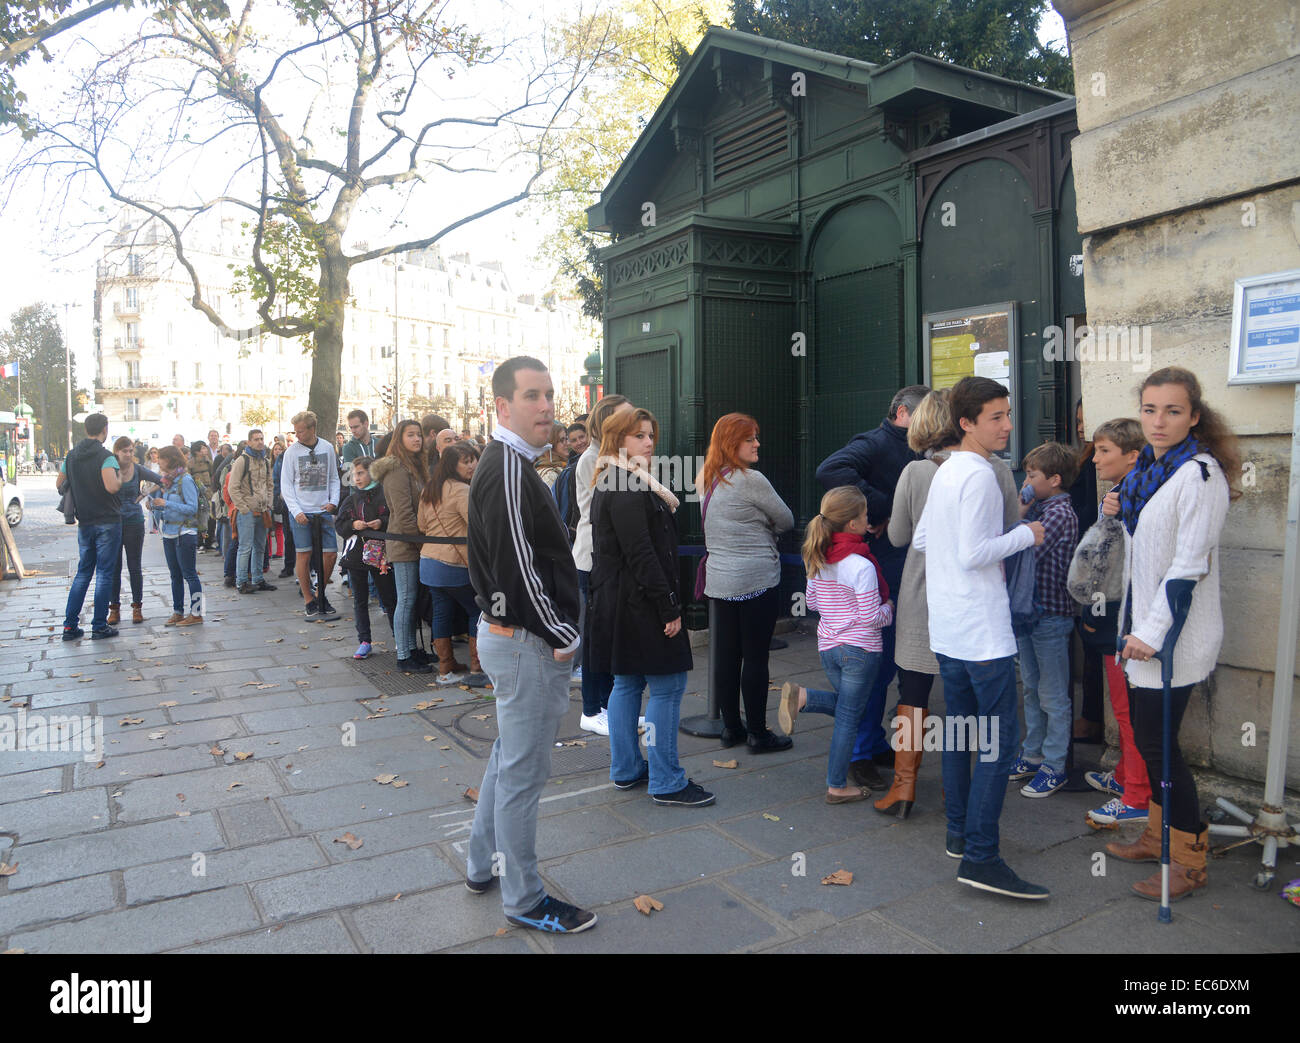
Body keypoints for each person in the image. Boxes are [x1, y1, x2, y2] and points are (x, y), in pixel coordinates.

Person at [465, 356, 595, 934]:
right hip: (525, 642)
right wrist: (563, 634)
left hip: (511, 639)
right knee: (522, 772)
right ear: (502, 406)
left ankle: (479, 862)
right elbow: (518, 569)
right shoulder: (511, 470)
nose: (546, 406)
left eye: (549, 394)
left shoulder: (508, 464)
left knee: (506, 757)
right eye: (532, 396)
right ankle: (524, 898)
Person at [912, 375, 1048, 899]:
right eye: (996, 416)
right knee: (997, 742)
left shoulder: (944, 470)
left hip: (948, 628)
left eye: (1007, 413)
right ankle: (982, 857)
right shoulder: (982, 475)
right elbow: (974, 552)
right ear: (966, 422)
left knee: (962, 734)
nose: (1008, 424)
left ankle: (958, 834)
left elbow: (923, 538)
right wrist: (1025, 534)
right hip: (983, 633)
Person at [1102, 367, 1235, 901]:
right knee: (1151, 742)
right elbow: (1143, 554)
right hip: (1140, 634)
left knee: (1161, 749)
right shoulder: (1147, 473)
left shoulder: (1200, 477)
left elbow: (1187, 566)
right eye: (1151, 410)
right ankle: (1158, 836)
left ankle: (1188, 860)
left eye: (1173, 411)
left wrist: (1152, 633)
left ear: (1194, 417)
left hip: (1173, 640)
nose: (1159, 421)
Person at [872, 389, 1020, 818]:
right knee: (971, 705)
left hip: (923, 593)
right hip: (975, 602)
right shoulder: (996, 470)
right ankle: (962, 794)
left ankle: (904, 786)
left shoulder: (917, 471)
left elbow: (899, 536)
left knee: (913, 693)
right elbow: (1007, 528)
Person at [591, 406, 712, 807]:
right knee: (667, 686)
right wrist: (669, 606)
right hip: (639, 603)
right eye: (639, 435)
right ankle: (666, 781)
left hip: (621, 601)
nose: (648, 442)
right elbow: (641, 553)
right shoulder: (625, 484)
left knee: (627, 682)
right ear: (617, 440)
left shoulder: (618, 479)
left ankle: (627, 770)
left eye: (650, 436)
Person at [815, 385, 928, 787]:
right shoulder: (876, 442)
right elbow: (829, 469)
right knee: (874, 670)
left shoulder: (919, 448)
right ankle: (861, 752)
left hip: (903, 570)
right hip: (884, 575)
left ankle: (873, 742)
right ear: (901, 413)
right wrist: (882, 507)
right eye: (924, 414)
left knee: (896, 669)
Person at [780, 485, 893, 803]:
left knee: (848, 708)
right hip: (860, 650)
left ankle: (804, 697)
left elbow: (813, 602)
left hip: (828, 647)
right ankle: (836, 785)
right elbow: (872, 617)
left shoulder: (816, 556)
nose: (868, 519)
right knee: (849, 716)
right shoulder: (862, 566)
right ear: (855, 524)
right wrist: (890, 609)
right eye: (866, 515)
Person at [698, 412, 795, 752]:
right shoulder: (751, 480)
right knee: (755, 657)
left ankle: (731, 729)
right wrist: (764, 526)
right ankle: (758, 733)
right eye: (750, 438)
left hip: (721, 582)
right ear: (731, 443)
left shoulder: (707, 478)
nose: (757, 444)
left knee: (726, 657)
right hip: (756, 580)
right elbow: (786, 519)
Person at [1081, 417, 1151, 827]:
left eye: (1104, 451)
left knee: (1128, 712)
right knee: (1124, 707)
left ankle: (1137, 796)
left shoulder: (1132, 496)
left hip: (1127, 619)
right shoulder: (1122, 492)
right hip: (1119, 616)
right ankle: (1126, 776)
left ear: (1132, 456)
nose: (1095, 459)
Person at [1007, 441, 1080, 798]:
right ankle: (1033, 752)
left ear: (1054, 479)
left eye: (1032, 474)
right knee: (1033, 689)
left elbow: (1024, 550)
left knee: (1052, 694)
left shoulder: (1057, 514)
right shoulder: (1043, 508)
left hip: (1050, 616)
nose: (1026, 479)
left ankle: (1055, 764)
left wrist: (1019, 513)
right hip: (1031, 615)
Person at [571, 395, 631, 735]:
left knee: (609, 638)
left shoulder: (616, 457)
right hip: (594, 559)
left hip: (609, 558)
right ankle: (592, 710)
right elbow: (601, 512)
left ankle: (609, 706)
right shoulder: (591, 459)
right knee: (596, 638)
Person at [418, 441, 486, 684]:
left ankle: (445, 669)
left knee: (441, 613)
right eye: (466, 461)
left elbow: (422, 526)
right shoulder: (462, 490)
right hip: (454, 564)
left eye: (473, 459)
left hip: (428, 563)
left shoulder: (430, 488)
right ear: (451, 465)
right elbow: (478, 526)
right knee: (476, 611)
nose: (472, 465)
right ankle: (478, 668)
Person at [58, 414, 124, 640]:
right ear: (104, 430)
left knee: (83, 572)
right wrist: (121, 478)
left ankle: (69, 626)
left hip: (85, 521)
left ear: (86, 429)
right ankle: (99, 625)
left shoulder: (72, 455)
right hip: (107, 520)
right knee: (104, 573)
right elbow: (112, 486)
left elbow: (59, 483)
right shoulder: (106, 457)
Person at [370, 419, 429, 672]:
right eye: (411, 435)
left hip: (415, 542)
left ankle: (413, 649)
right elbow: (403, 514)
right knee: (405, 599)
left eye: (419, 435)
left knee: (412, 600)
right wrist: (420, 543)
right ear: (399, 439)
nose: (417, 439)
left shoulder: (414, 466)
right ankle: (404, 656)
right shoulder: (396, 469)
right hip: (405, 543)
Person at [281, 411, 342, 622]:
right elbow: (286, 485)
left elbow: (334, 478)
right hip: (301, 511)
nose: (297, 435)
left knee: (331, 554)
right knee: (304, 555)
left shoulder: (326, 447)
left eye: (301, 431)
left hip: (323, 510)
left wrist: (333, 501)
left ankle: (320, 594)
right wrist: (296, 511)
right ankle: (309, 599)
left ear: (311, 428)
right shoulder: (291, 453)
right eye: (295, 432)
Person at [336, 456, 398, 659]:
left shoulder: (385, 494)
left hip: (381, 557)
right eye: (354, 474)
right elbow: (340, 525)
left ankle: (400, 638)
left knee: (389, 598)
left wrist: (381, 521)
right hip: (356, 558)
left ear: (372, 472)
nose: (357, 478)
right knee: (360, 600)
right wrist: (353, 525)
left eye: (361, 473)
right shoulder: (351, 498)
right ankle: (364, 640)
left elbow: (394, 518)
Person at [1069, 399, 1104, 742]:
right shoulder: (1085, 458)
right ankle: (1092, 715)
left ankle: (1093, 717)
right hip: (1083, 564)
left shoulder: (1097, 462)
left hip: (1095, 568)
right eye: (1078, 420)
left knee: (1094, 643)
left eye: (1086, 419)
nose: (1081, 426)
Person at [108, 435, 163, 626]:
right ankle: (114, 609)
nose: (129, 454)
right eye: (125, 451)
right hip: (113, 522)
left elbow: (161, 480)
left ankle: (137, 607)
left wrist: (144, 494)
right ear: (117, 451)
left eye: (131, 450)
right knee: (114, 567)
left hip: (134, 521)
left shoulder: (138, 469)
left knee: (134, 566)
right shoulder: (110, 468)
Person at [151, 444, 204, 626]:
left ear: (170, 460)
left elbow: (192, 508)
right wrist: (155, 505)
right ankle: (178, 611)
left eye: (161, 458)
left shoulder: (185, 480)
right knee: (175, 575)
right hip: (169, 533)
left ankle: (197, 613)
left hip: (185, 532)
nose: (158, 462)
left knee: (189, 573)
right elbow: (165, 506)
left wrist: (166, 504)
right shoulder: (168, 481)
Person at [228, 428, 277, 595]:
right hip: (247, 511)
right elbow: (232, 488)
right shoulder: (242, 461)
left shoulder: (265, 461)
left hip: (263, 509)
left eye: (261, 438)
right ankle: (241, 582)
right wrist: (243, 508)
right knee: (245, 547)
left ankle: (257, 579)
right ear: (249, 442)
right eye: (256, 439)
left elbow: (270, 485)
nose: (259, 441)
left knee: (260, 546)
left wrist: (269, 504)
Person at [272, 438, 295, 576]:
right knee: (289, 536)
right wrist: (277, 497)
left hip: (304, 502)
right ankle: (289, 566)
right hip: (288, 502)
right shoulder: (283, 457)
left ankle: (309, 568)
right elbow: (276, 480)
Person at [188, 441, 214, 551]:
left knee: (211, 519)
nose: (205, 450)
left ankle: (209, 541)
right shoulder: (190, 464)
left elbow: (213, 475)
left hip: (209, 492)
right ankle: (199, 542)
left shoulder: (209, 462)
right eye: (203, 448)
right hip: (198, 494)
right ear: (196, 451)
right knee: (200, 519)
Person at [340, 409, 377, 484]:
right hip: (358, 493)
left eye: (356, 427)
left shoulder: (379, 443)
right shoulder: (348, 447)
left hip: (381, 493)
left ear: (366, 424)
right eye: (351, 427)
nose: (353, 431)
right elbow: (353, 476)